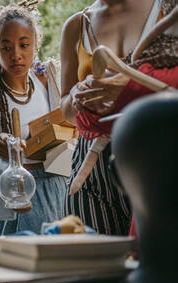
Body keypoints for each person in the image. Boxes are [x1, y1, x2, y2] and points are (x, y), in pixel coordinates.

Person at [60, 0, 175, 235]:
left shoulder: (167, 8)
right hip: (91, 168)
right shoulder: (76, 25)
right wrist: (78, 97)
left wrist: (131, 87)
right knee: (95, 261)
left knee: (153, 258)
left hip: (155, 154)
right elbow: (65, 109)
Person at [0, 3, 67, 235]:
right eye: (6, 47)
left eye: (24, 45)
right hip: (17, 193)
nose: (16, 55)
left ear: (36, 44)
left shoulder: (47, 81)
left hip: (57, 185)